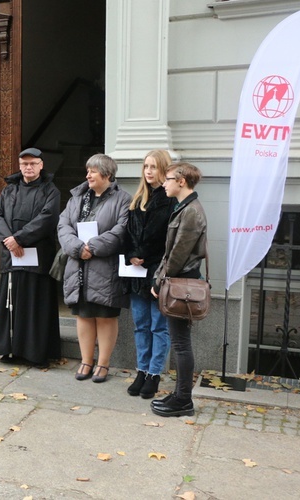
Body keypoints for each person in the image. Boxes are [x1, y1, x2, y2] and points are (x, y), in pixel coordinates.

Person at [58, 153, 131, 383]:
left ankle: (103, 363)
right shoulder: (77, 197)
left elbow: (122, 230)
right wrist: (78, 248)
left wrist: (94, 247)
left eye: (93, 170)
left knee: (106, 316)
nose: (88, 174)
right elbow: (63, 225)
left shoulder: (123, 199)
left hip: (105, 267)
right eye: (87, 170)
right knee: (84, 315)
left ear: (107, 174)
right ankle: (86, 361)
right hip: (78, 265)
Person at [0, 147, 61, 369]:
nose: (28, 167)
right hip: (12, 256)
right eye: (24, 164)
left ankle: (36, 353)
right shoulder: (9, 190)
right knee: (11, 304)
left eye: (32, 163)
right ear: (19, 166)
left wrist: (20, 238)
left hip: (37, 257)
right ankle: (9, 349)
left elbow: (47, 219)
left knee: (36, 304)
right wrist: (8, 241)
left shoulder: (51, 191)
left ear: (41, 165)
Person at [150, 162, 207, 417]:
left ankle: (184, 400)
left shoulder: (191, 211)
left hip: (181, 284)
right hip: (176, 282)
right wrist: (158, 278)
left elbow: (178, 255)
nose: (164, 183)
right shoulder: (183, 208)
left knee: (181, 344)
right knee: (179, 341)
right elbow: (170, 252)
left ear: (181, 181)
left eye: (168, 179)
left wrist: (161, 281)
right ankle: (180, 395)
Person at [123, 150, 176, 399]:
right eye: (146, 166)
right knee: (140, 326)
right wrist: (131, 253)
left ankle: (154, 374)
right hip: (135, 271)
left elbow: (166, 238)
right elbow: (127, 233)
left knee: (158, 327)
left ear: (164, 170)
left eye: (154, 166)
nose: (148, 171)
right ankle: (141, 371)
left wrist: (143, 252)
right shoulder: (137, 200)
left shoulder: (169, 200)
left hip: (157, 271)